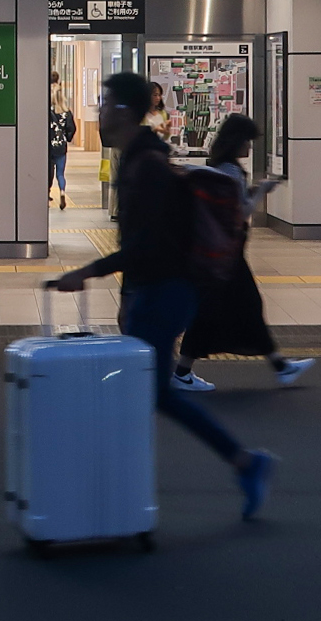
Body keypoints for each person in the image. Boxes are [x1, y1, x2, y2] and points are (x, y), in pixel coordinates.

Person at [49, 71, 278, 520]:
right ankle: (242, 463)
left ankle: (116, 495)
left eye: (106, 102)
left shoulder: (146, 167)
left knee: (142, 393)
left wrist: (89, 270)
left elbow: (146, 245)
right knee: (151, 393)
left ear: (125, 112)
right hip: (154, 291)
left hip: (165, 293)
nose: (99, 111)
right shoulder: (140, 159)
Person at [177, 113, 312, 389]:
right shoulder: (231, 171)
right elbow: (240, 212)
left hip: (221, 252)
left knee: (238, 307)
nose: (249, 148)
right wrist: (262, 190)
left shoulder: (220, 166)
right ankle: (182, 372)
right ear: (238, 141)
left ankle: (279, 366)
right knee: (232, 308)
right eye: (248, 142)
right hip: (228, 254)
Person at [47, 86, 77, 209]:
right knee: (60, 173)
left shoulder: (47, 112)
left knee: (48, 173)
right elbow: (72, 128)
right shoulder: (67, 112)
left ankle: (47, 194)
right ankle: (62, 193)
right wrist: (67, 138)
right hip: (61, 147)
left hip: (48, 146)